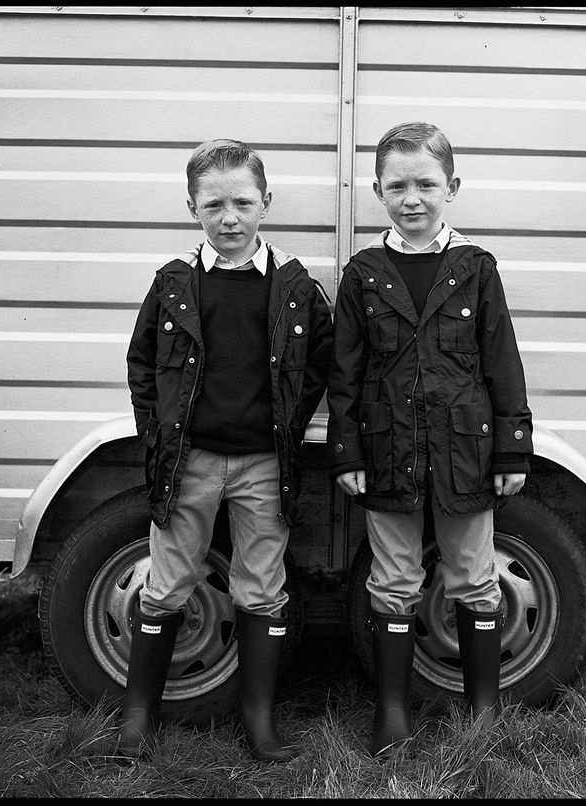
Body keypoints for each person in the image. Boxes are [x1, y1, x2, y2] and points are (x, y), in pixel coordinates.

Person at [326, 122, 533, 758]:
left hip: (463, 452)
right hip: (388, 449)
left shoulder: (475, 268)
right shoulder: (363, 273)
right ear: (377, 192)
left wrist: (511, 446)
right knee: (394, 577)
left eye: (425, 184)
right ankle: (392, 712)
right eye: (397, 186)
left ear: (452, 189)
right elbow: (345, 372)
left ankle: (484, 711)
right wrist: (346, 449)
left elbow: (502, 360)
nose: (411, 198)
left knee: (473, 576)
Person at [123, 139, 334, 762]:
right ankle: (138, 717)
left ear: (265, 203)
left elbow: (320, 364)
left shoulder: (296, 288)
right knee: (166, 585)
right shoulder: (174, 285)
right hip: (189, 462)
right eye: (213, 204)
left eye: (242, 202)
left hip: (265, 466)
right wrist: (160, 435)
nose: (229, 217)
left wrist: (287, 428)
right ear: (192, 207)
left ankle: (259, 721)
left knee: (262, 587)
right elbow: (141, 365)